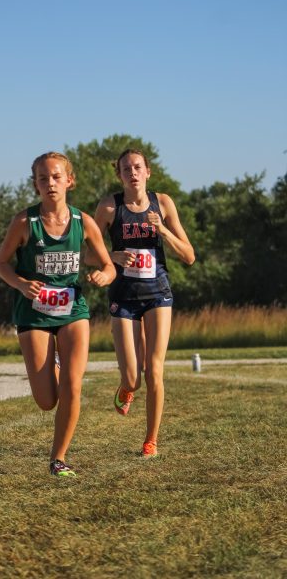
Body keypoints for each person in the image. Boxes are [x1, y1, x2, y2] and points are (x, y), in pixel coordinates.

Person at [0, 152, 115, 478]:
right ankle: (56, 369)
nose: (50, 183)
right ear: (35, 184)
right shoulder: (24, 223)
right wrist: (21, 283)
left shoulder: (84, 222)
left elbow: (108, 265)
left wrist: (105, 275)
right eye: (43, 178)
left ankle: (58, 458)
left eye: (56, 177)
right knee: (47, 400)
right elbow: (0, 264)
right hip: (33, 314)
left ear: (69, 181)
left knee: (73, 387)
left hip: (73, 310)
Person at [85, 149, 195, 458]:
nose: (132, 173)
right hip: (123, 295)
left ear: (148, 171)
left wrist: (162, 230)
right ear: (118, 174)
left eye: (137, 167)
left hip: (158, 292)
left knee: (154, 371)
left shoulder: (164, 203)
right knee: (133, 376)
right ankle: (125, 389)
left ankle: (151, 441)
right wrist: (114, 256)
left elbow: (188, 256)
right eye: (125, 169)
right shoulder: (109, 206)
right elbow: (87, 254)